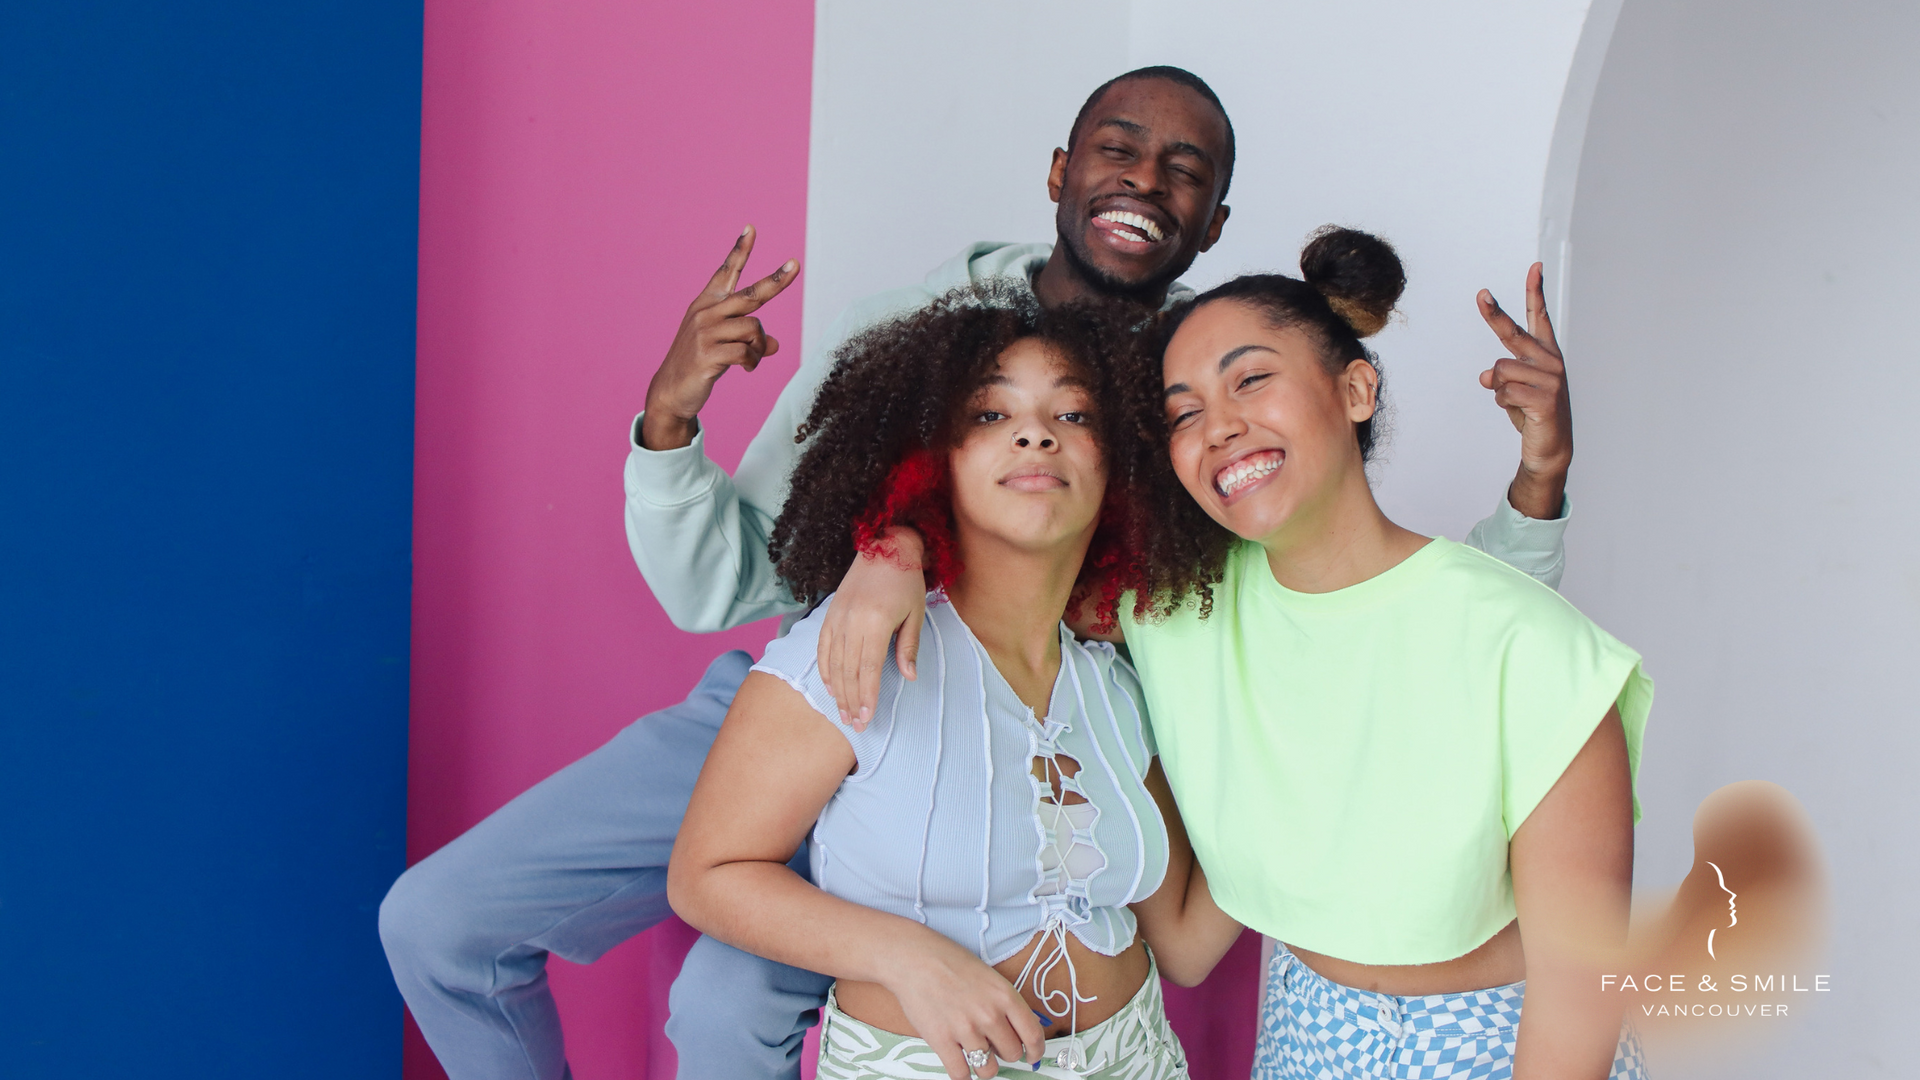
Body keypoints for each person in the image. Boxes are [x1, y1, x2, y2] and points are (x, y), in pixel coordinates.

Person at [379, 67, 1572, 1080]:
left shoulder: (1197, 387)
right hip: (821, 691)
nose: (1146, 182)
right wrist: (689, 431)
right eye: (1118, 149)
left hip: (1025, 739)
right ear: (1059, 171)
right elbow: (722, 584)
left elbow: (1351, 578)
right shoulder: (907, 331)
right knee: (440, 922)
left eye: (1185, 171)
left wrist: (1532, 497)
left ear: (1214, 224)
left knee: (724, 1009)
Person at [669, 288, 1240, 1080]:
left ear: (1124, 466)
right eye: (989, 416)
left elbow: (1183, 942)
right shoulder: (849, 648)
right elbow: (706, 875)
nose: (1036, 433)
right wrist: (905, 957)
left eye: (1074, 416)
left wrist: (1317, 775)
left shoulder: (1119, 686)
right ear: (931, 458)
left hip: (1139, 1057)